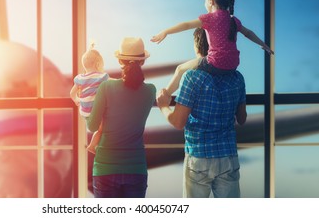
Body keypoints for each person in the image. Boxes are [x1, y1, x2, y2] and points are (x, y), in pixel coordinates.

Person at [156, 28, 247, 198]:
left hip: (199, 156)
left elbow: (178, 122)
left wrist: (163, 106)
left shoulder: (191, 77)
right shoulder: (237, 78)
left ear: (197, 48)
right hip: (228, 155)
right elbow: (242, 119)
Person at [151, 0, 273, 96]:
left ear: (211, 1)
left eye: (205, 1)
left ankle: (165, 95)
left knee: (180, 69)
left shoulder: (209, 18)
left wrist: (165, 32)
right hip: (233, 65)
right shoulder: (233, 20)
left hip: (216, 63)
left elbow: (186, 25)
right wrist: (263, 44)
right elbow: (248, 33)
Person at [86, 37, 156, 198]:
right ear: (143, 62)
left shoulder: (106, 87)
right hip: (136, 168)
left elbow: (92, 126)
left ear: (120, 61)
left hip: (105, 168)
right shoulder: (150, 91)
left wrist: (84, 106)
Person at [70, 43, 109, 154]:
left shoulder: (80, 78)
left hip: (84, 111)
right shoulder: (102, 76)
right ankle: (92, 146)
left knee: (96, 128)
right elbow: (111, 82)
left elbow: (72, 93)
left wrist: (77, 100)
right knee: (101, 129)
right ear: (97, 64)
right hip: (95, 111)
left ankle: (94, 145)